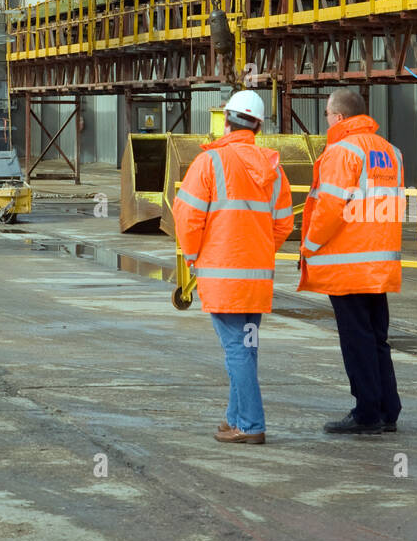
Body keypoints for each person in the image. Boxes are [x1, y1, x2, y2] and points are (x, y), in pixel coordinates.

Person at [173, 90, 294, 445]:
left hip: (222, 275)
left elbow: (187, 217)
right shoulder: (273, 167)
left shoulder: (210, 163)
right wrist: (258, 250)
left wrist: (194, 256)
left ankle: (251, 425)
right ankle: (235, 418)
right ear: (257, 126)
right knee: (246, 346)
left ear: (226, 122)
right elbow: (284, 223)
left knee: (237, 350)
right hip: (256, 277)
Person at [299, 87, 404, 435]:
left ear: (339, 117)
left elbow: (330, 208)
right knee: (376, 338)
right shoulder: (390, 152)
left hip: (349, 264)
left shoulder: (341, 152)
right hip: (379, 262)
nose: (326, 119)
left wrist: (309, 246)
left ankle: (367, 413)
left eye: (328, 114)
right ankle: (388, 409)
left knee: (356, 339)